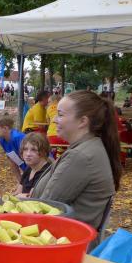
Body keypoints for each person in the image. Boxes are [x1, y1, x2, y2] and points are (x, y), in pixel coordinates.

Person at [31, 91, 122, 232]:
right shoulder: (88, 147)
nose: (54, 120)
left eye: (60, 115)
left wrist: (21, 204)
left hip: (64, 239)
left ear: (82, 121)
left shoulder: (81, 156)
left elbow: (46, 208)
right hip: (64, 233)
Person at [0, 112, 27, 184]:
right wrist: (20, 182)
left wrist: (26, 183)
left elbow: (32, 162)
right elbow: (12, 161)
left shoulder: (18, 138)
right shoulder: (2, 140)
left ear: (5, 128)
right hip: (28, 173)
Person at [14, 132, 52, 197]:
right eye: (25, 149)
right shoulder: (29, 168)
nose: (28, 154)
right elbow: (18, 192)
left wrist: (18, 196)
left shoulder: (45, 172)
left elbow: (32, 197)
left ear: (43, 152)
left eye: (33, 150)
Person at [45, 92, 68, 157]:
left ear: (55, 101)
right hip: (62, 137)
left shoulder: (48, 108)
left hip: (50, 137)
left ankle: (55, 157)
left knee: (53, 148)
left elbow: (48, 122)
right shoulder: (64, 108)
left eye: (49, 102)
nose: (48, 103)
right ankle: (59, 156)